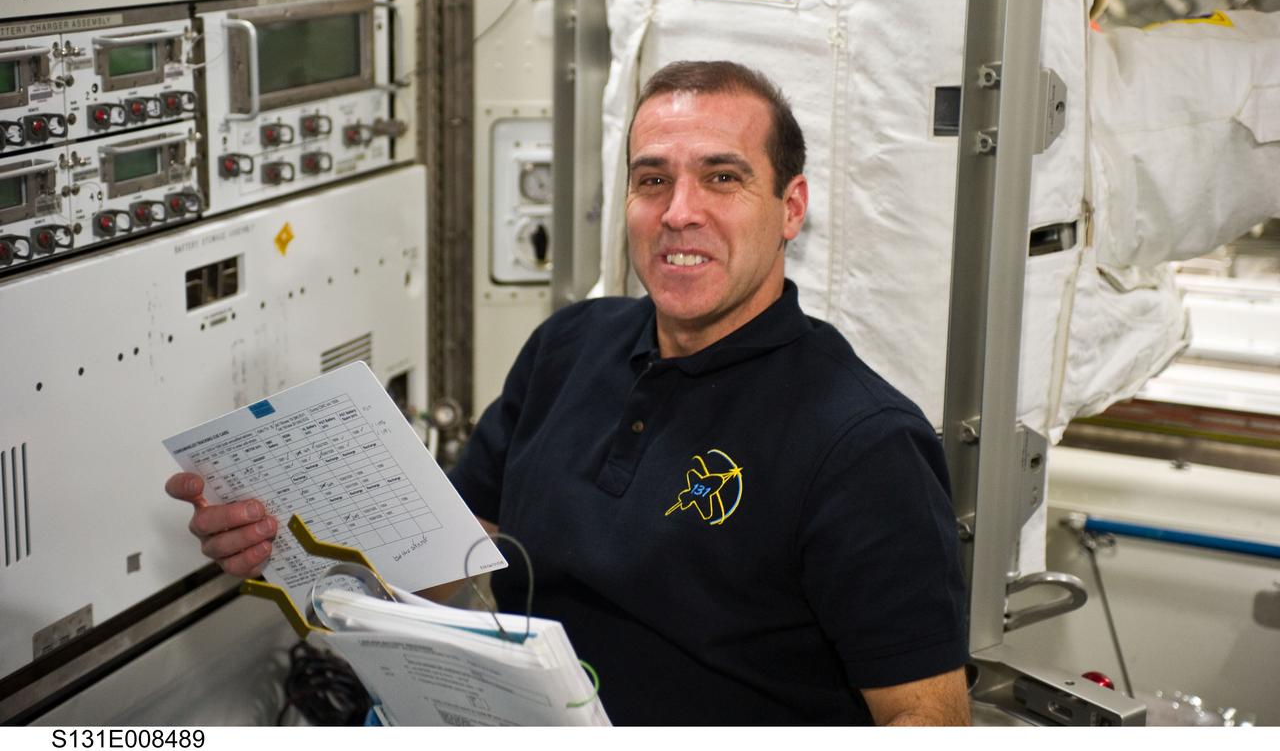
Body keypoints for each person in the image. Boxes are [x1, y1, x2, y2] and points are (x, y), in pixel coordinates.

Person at [166, 61, 971, 726]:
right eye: (653, 179)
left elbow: (927, 720)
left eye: (722, 178)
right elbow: (448, 567)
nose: (679, 212)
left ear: (789, 207)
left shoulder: (861, 443)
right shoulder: (571, 345)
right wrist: (292, 542)